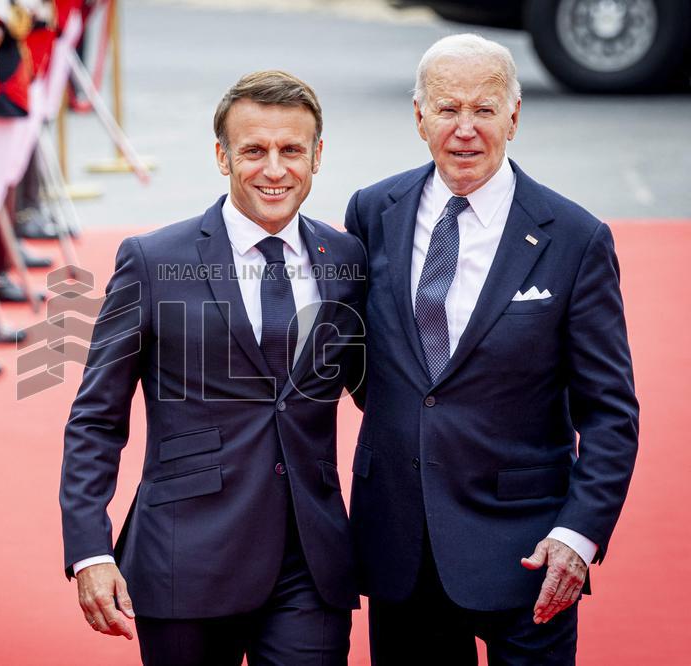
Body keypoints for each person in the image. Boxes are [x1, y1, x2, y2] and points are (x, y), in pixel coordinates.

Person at [344, 33, 639, 664]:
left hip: (528, 551)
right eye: (448, 109)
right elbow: (371, 364)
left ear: (515, 114)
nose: (465, 129)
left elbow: (611, 413)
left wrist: (579, 534)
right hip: (402, 545)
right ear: (419, 117)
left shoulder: (576, 238)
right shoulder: (373, 211)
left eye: (484, 108)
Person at [60, 70, 367, 665]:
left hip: (311, 560)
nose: (274, 169)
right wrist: (89, 550)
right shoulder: (152, 260)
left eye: (291, 150)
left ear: (317, 155)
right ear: (222, 155)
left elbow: (378, 387)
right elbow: (96, 416)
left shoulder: (346, 257)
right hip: (185, 560)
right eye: (254, 150)